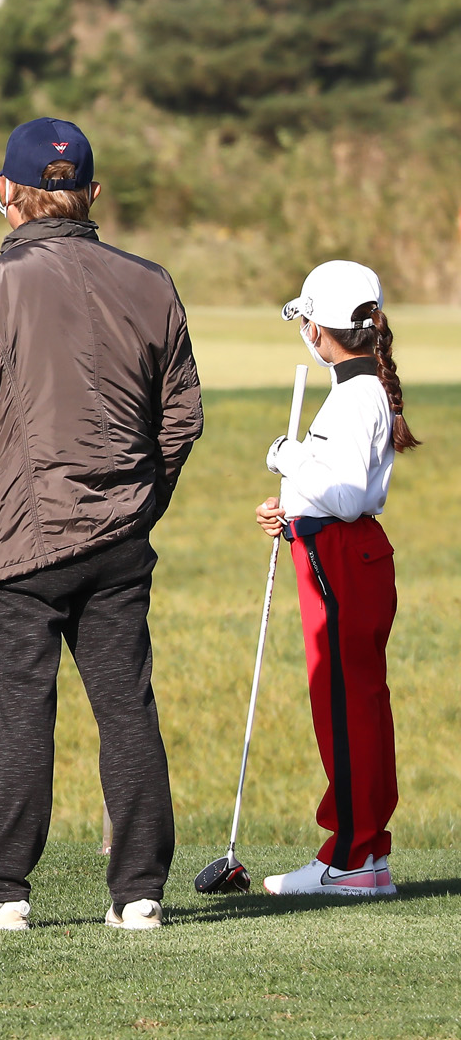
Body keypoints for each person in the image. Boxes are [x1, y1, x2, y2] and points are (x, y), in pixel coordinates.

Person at [0, 117, 203, 932]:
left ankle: (0, 892)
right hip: (119, 538)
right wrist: (140, 499)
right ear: (90, 193)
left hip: (15, 539)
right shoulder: (153, 280)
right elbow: (180, 420)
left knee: (19, 713)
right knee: (126, 708)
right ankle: (139, 893)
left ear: (8, 194)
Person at [253, 261, 413, 897]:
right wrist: (290, 509)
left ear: (318, 328)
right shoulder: (361, 388)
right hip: (340, 551)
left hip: (343, 557)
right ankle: (365, 852)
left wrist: (283, 456)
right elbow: (333, 486)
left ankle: (348, 856)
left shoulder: (355, 395)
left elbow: (345, 495)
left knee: (345, 708)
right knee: (359, 704)